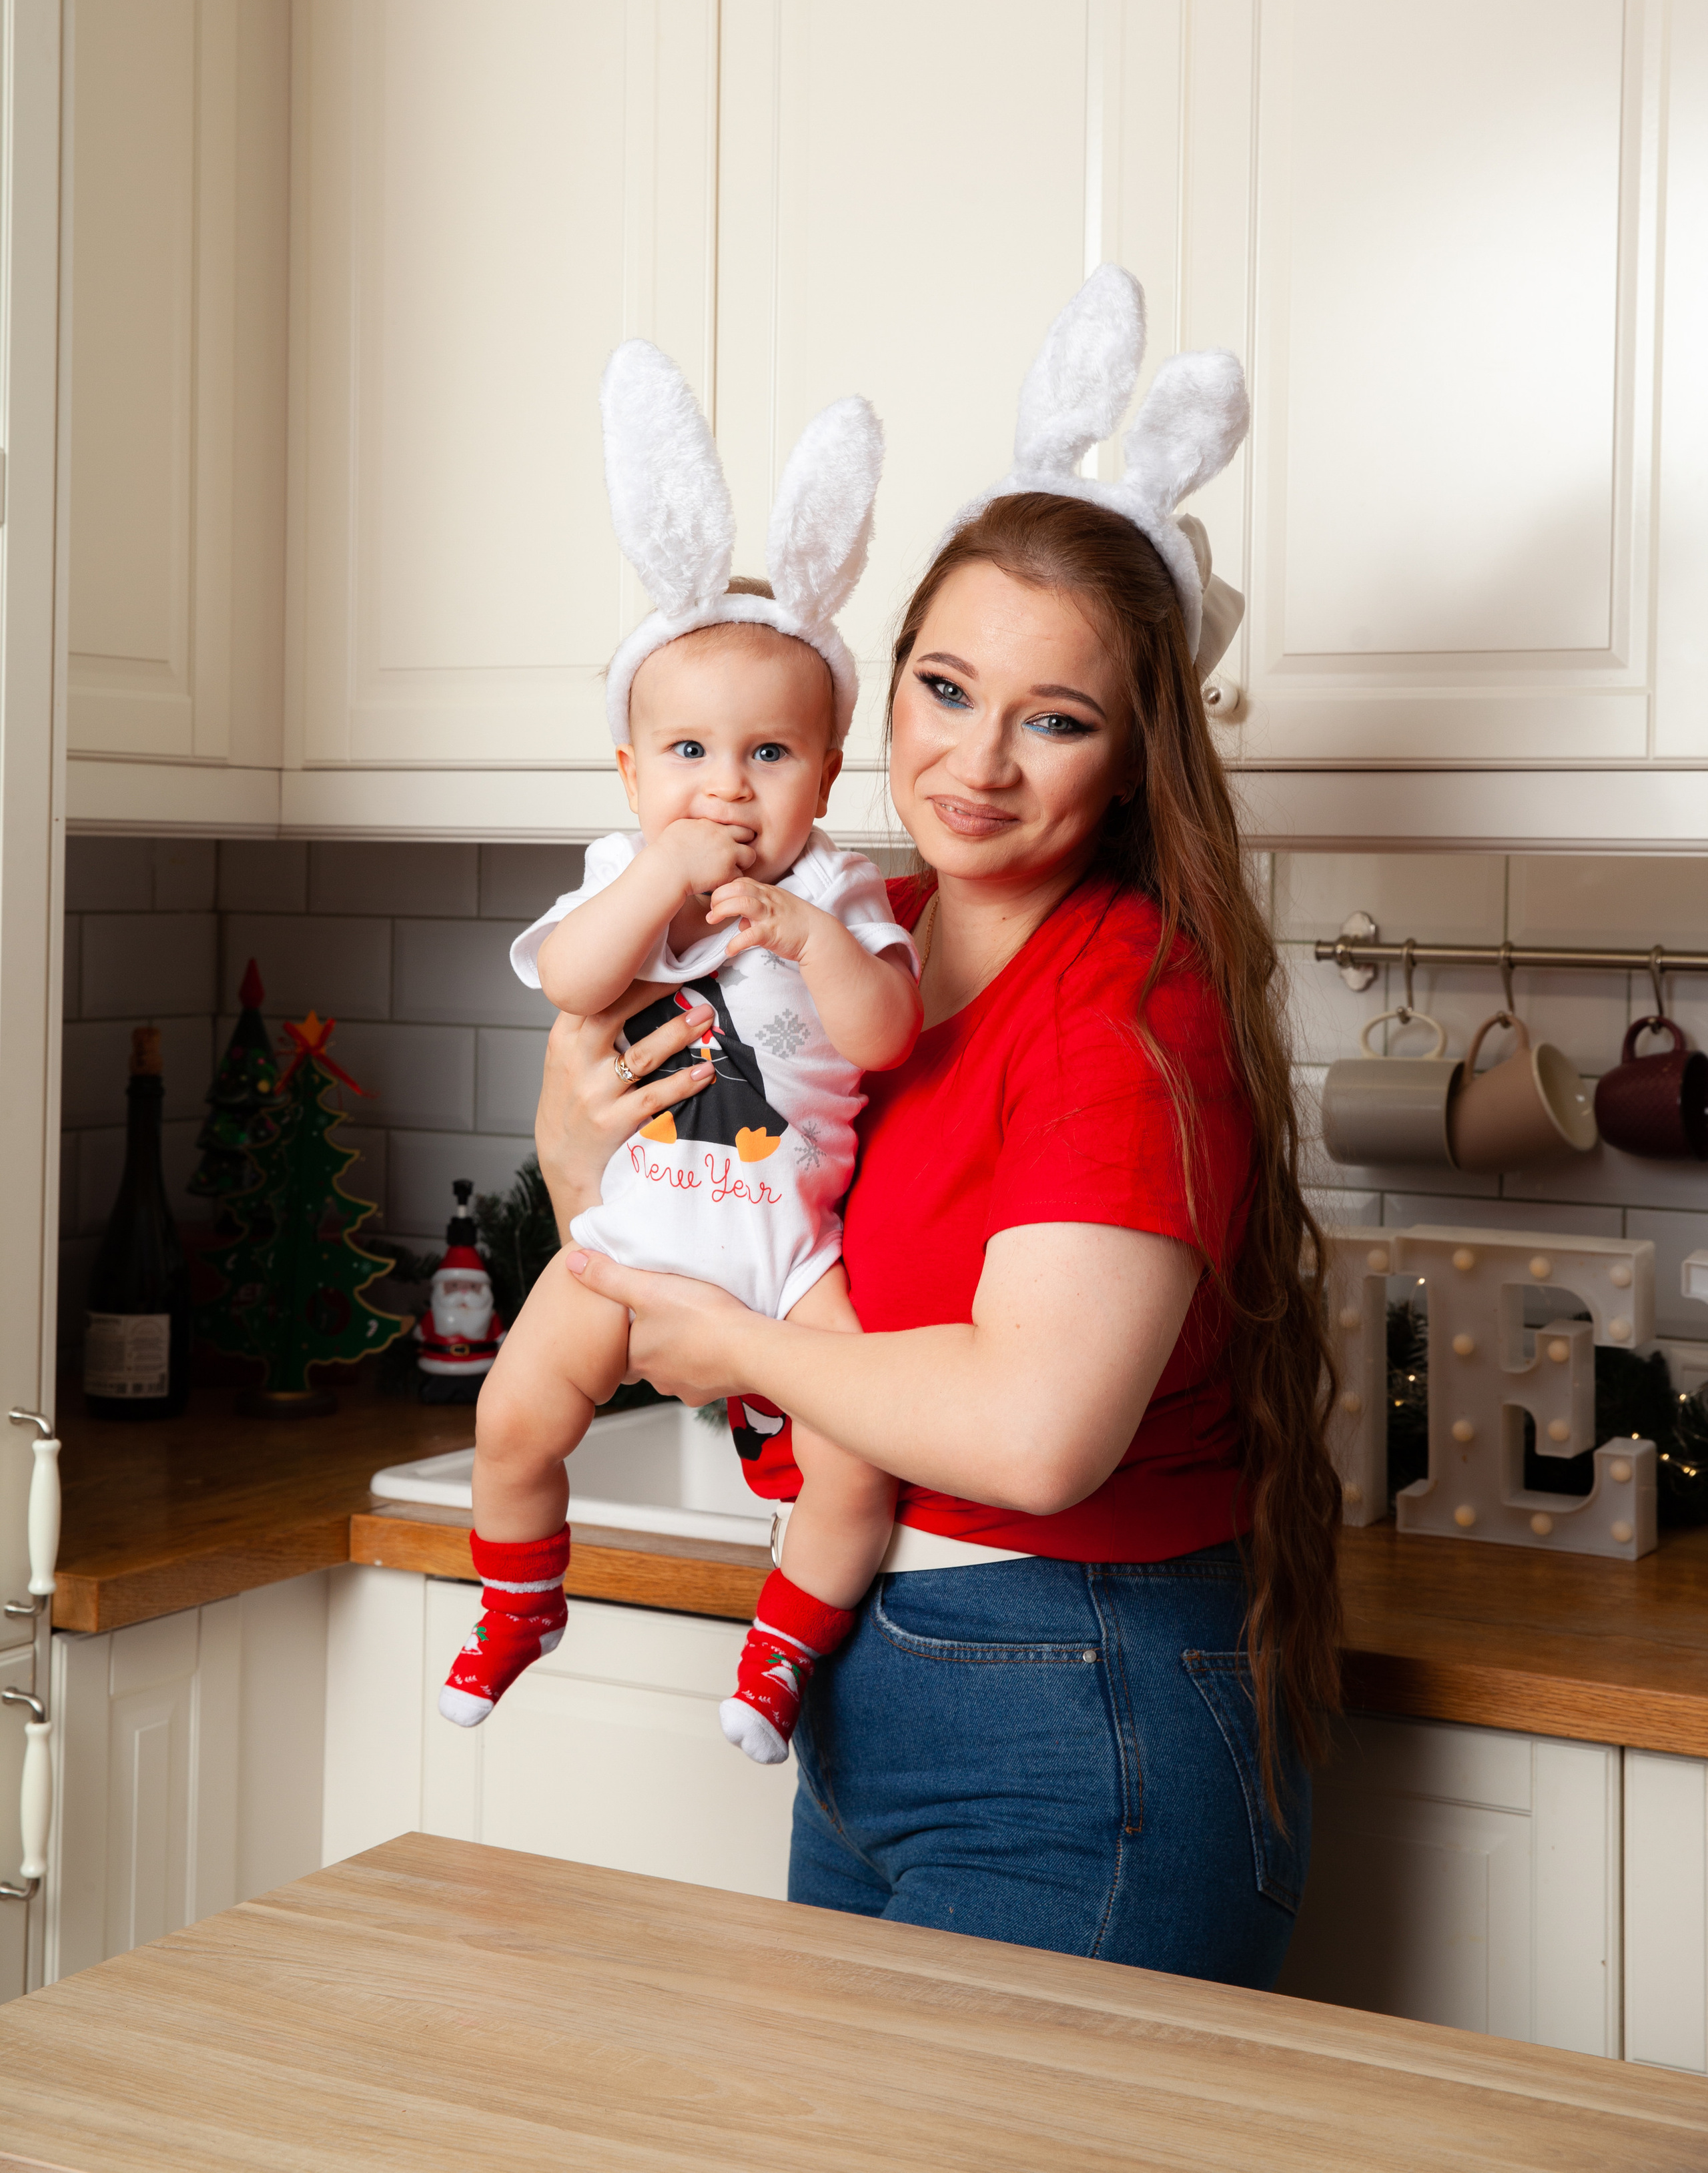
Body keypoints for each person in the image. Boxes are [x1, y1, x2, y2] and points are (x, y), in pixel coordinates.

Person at [529, 268, 1344, 1990]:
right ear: (876, 696)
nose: (977, 762)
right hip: (879, 1670)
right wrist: (580, 1095)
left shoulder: (1125, 1014)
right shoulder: (854, 929)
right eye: (944, 689)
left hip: (1079, 1704)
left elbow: (1037, 1436)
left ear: (1133, 758)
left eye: (1056, 719)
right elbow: (618, 1197)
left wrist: (731, 1336)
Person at [439, 342, 923, 1753]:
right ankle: (517, 1604)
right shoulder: (619, 874)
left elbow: (885, 1034)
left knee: (853, 1469)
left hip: (791, 1260)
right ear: (630, 774)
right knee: (514, 1422)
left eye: (770, 756)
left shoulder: (836, 891)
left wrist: (801, 935)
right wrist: (652, 881)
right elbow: (572, 978)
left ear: (826, 776)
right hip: (631, 1238)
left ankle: (779, 1656)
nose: (728, 787)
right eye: (689, 755)